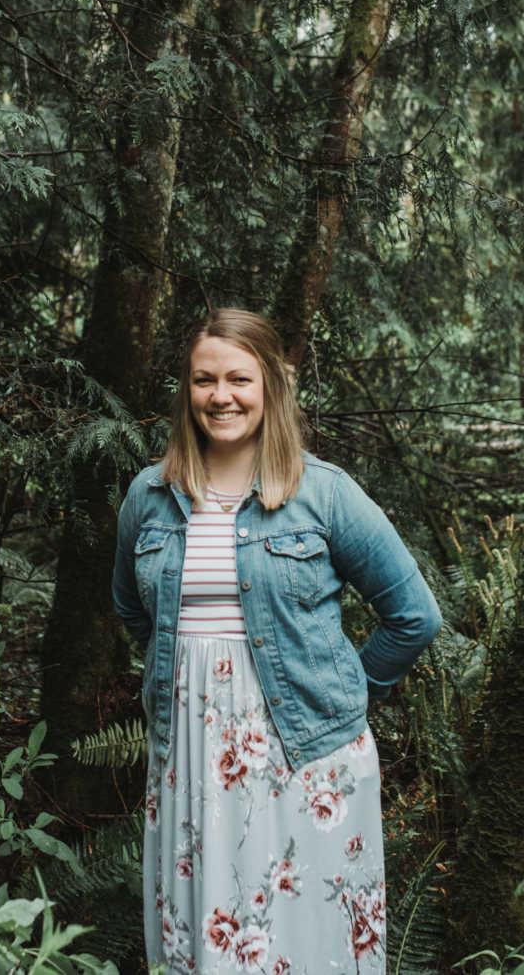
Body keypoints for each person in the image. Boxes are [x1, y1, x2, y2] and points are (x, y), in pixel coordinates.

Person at [112, 309, 441, 975]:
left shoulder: (323, 493)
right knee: (208, 930)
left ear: (270, 386)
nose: (220, 395)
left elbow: (414, 615)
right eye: (204, 380)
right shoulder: (149, 497)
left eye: (239, 378)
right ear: (187, 391)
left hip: (306, 753)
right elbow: (133, 609)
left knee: (306, 933)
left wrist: (346, 691)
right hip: (190, 757)